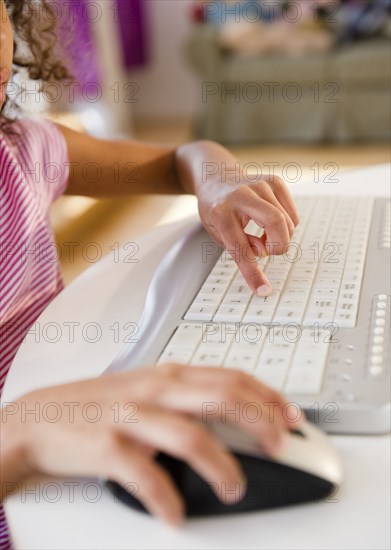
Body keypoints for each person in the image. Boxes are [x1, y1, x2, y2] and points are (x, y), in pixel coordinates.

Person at [0, 1, 301, 547]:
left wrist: (214, 178)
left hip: (97, 438)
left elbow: (182, 157)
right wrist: (19, 434)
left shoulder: (24, 150)